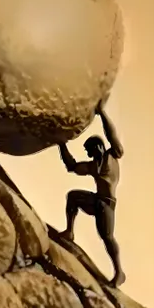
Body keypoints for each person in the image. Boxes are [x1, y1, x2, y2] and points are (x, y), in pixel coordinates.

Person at [58, 99, 126, 287]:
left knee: (107, 237)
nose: (88, 154)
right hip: (97, 201)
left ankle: (119, 272)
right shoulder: (93, 166)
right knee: (73, 196)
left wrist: (101, 113)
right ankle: (70, 231)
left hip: (107, 204)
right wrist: (61, 143)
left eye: (89, 150)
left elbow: (111, 135)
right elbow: (72, 166)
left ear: (98, 146)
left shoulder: (113, 156)